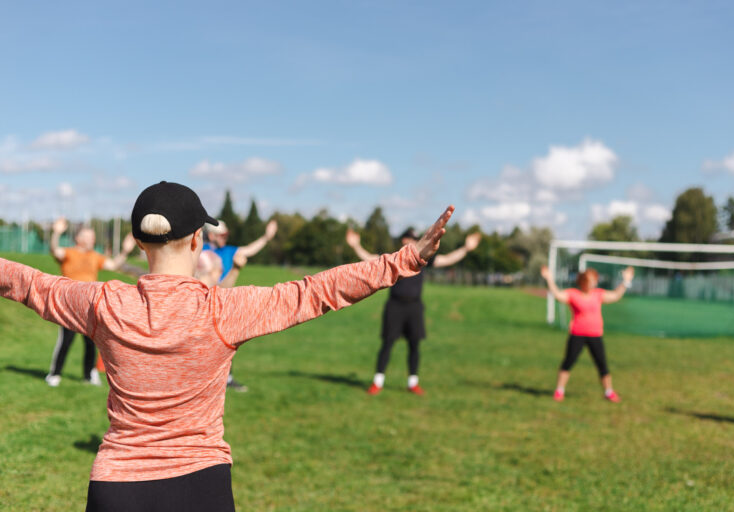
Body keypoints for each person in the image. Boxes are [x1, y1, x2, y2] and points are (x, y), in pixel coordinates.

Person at [0, 181, 454, 511]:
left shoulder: (102, 303)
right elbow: (315, 291)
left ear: (139, 244)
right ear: (199, 240)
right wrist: (407, 259)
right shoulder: (224, 310)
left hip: (117, 487)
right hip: (200, 487)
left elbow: (25, 283)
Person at [347, 227, 481, 395]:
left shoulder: (422, 259)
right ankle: (377, 382)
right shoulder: (392, 258)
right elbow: (370, 259)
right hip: (394, 306)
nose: (410, 242)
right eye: (408, 239)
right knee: (387, 344)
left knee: (414, 345)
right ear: (403, 240)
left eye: (414, 240)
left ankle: (413, 383)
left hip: (415, 307)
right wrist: (355, 246)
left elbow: (447, 259)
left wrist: (466, 249)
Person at [44, 217, 135, 387]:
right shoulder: (69, 253)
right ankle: (55, 374)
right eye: (89, 236)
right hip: (69, 306)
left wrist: (125, 251)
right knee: (66, 341)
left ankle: (89, 374)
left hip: (90, 306)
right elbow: (54, 250)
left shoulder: (95, 256)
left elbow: (113, 264)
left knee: (91, 342)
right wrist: (56, 233)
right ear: (79, 238)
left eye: (93, 237)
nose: (92, 239)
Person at [540, 265, 634, 403]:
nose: (594, 282)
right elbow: (558, 295)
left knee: (602, 364)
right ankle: (559, 390)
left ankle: (608, 392)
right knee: (568, 362)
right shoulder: (573, 294)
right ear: (583, 281)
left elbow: (615, 295)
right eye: (591, 280)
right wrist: (549, 278)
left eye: (595, 279)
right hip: (577, 334)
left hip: (595, 335)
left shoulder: (598, 294)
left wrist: (626, 281)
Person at [204, 218, 278, 391]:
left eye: (226, 234)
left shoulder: (229, 251)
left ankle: (227, 378)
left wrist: (266, 238)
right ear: (211, 235)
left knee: (227, 341)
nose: (225, 238)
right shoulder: (200, 250)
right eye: (222, 235)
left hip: (224, 301)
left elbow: (249, 250)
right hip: (204, 301)